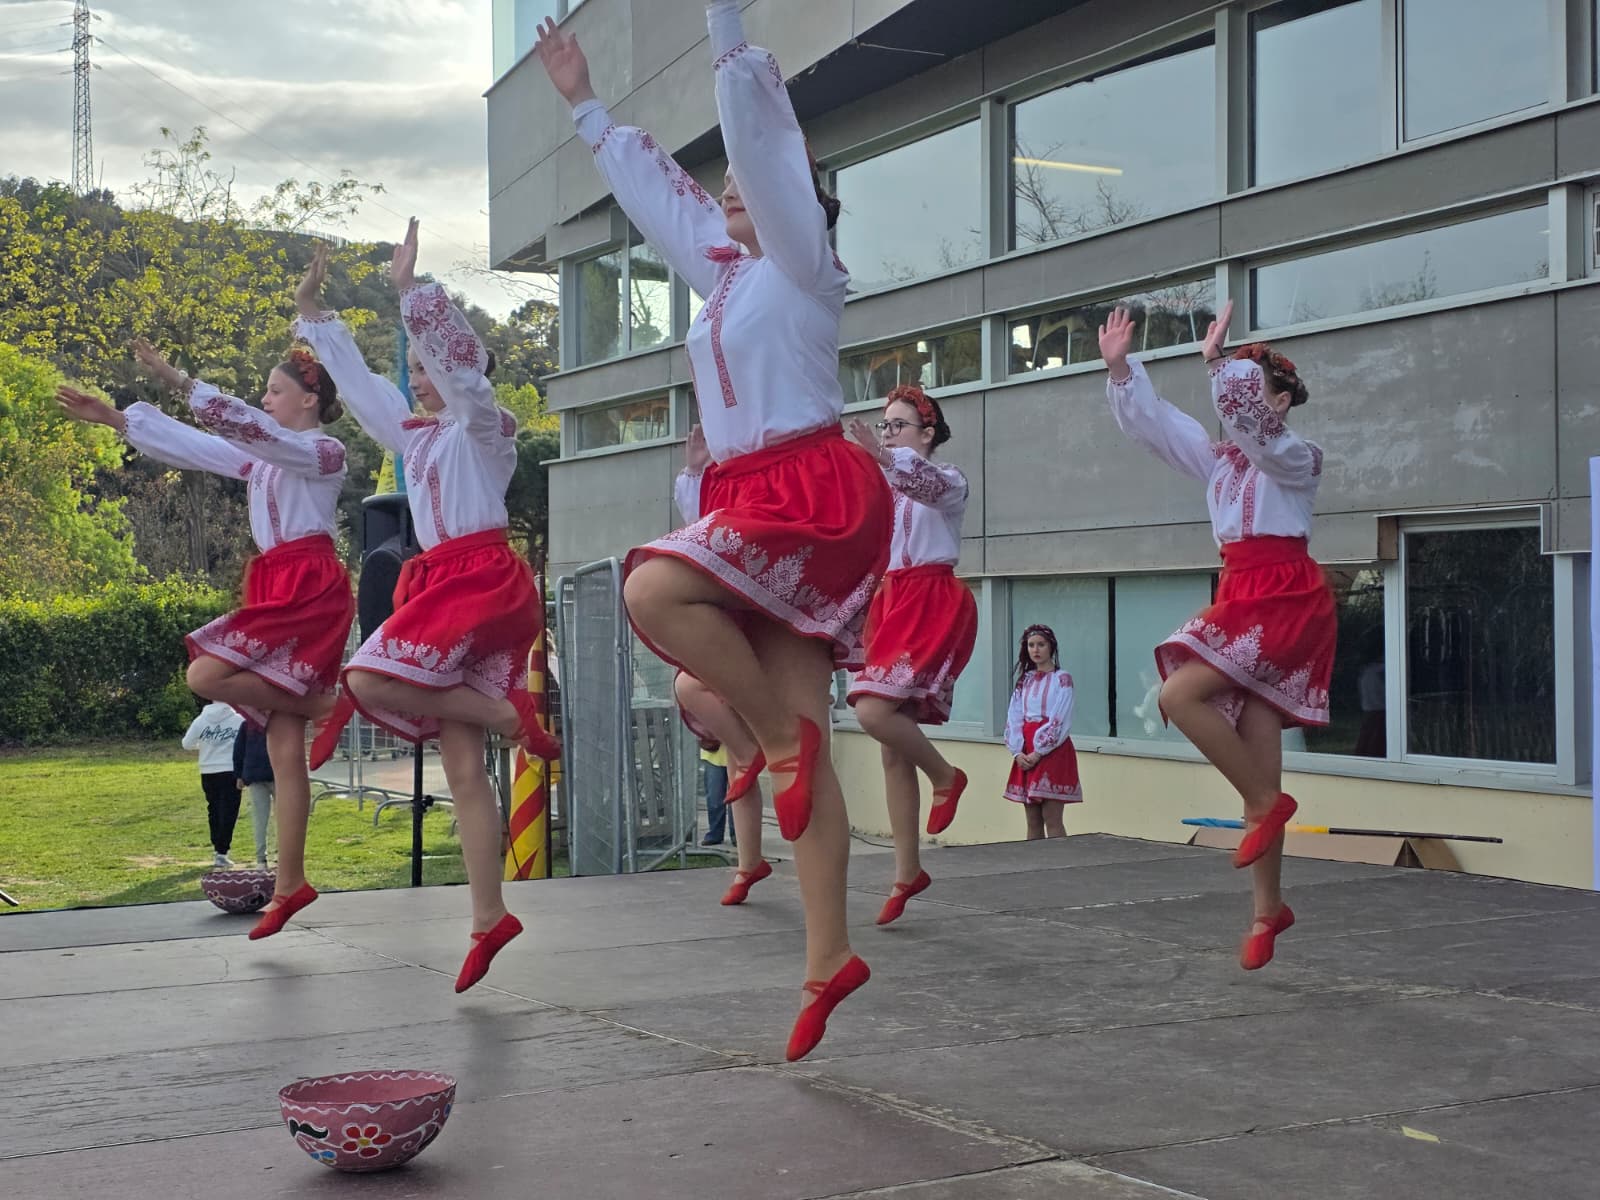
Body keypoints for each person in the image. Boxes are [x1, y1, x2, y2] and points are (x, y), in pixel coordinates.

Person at [535, 1, 894, 1061]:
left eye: (748, 179)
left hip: (805, 492)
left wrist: (722, 21)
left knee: (653, 588)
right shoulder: (726, 275)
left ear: (797, 201)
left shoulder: (801, 265)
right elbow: (663, 197)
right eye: (726, 184)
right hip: (751, 496)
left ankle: (775, 744)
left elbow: (764, 146)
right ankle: (828, 956)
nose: (729, 186)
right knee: (807, 737)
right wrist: (586, 107)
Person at [293, 232, 561, 993]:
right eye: (413, 370)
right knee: (461, 770)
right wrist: (316, 318)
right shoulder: (415, 438)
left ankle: (511, 716)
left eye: (429, 366)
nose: (419, 379)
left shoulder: (487, 430)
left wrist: (413, 294)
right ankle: (488, 917)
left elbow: (466, 382)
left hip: (477, 582)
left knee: (370, 679)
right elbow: (371, 391)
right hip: (440, 585)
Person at [58, 339, 354, 940]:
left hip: (308, 586)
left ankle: (336, 703)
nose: (264, 401)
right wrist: (117, 418)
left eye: (274, 391)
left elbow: (245, 428)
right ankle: (291, 882)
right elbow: (205, 446)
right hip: (276, 581)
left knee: (204, 674)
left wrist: (177, 376)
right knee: (282, 749)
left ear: (309, 397)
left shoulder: (323, 452)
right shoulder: (262, 458)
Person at [1100, 300, 1335, 970]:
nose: (1235, 404)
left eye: (1247, 385)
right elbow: (1160, 428)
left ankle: (1265, 805)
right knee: (1258, 753)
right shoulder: (1223, 464)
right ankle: (1268, 908)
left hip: (1283, 596)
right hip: (1244, 594)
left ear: (1281, 400)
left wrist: (1215, 364)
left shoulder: (1296, 458)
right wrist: (1123, 372)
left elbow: (1254, 427)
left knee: (1178, 697)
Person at [844, 385, 976, 926]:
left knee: (871, 712)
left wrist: (884, 456)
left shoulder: (949, 481)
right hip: (889, 602)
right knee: (889, 743)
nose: (888, 433)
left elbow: (922, 481)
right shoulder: (884, 485)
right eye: (885, 425)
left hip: (929, 599)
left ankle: (947, 776)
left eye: (898, 425)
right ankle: (907, 871)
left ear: (927, 434)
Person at [671, 426, 772, 904]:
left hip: (768, 619)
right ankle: (749, 862)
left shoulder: (769, 466)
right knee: (735, 750)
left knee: (786, 750)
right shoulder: (717, 480)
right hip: (734, 616)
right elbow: (699, 532)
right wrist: (695, 471)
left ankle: (763, 862)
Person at [1003, 626, 1082, 840]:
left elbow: (1061, 716)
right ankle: (1034, 866)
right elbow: (1014, 715)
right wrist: (1017, 752)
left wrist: (1039, 751)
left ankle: (1060, 865)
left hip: (1052, 748)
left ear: (1051, 647)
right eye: (1031, 645)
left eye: (1041, 644)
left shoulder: (1062, 679)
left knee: (1052, 817)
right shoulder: (1024, 680)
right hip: (1026, 747)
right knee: (1033, 819)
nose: (1035, 650)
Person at [183, 700, 244, 868]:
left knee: (214, 809)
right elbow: (244, 745)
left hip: (208, 770)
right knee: (229, 811)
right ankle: (222, 851)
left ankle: (216, 846)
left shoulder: (201, 720)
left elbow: (186, 744)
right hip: (230, 770)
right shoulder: (238, 720)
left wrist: (203, 745)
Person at [233, 722, 274, 867]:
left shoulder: (247, 725)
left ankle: (261, 859)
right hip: (278, 774)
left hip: (254, 774)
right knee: (285, 819)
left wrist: (239, 775)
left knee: (260, 819)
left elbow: (238, 750)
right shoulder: (279, 722)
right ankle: (283, 855)